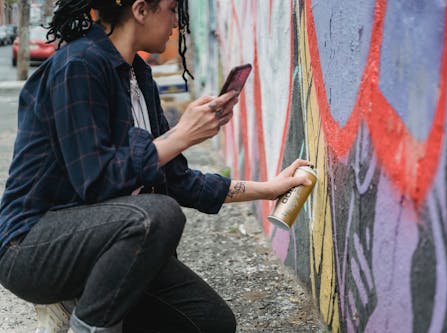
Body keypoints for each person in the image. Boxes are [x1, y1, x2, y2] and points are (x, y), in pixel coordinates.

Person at [0, 0, 312, 332]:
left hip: (107, 239)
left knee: (209, 322)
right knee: (157, 214)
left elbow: (176, 179)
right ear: (141, 10)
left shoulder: (138, 74)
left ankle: (97, 306)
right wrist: (181, 135)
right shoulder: (78, 65)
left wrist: (269, 189)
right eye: (172, 9)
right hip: (32, 247)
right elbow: (97, 182)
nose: (177, 23)